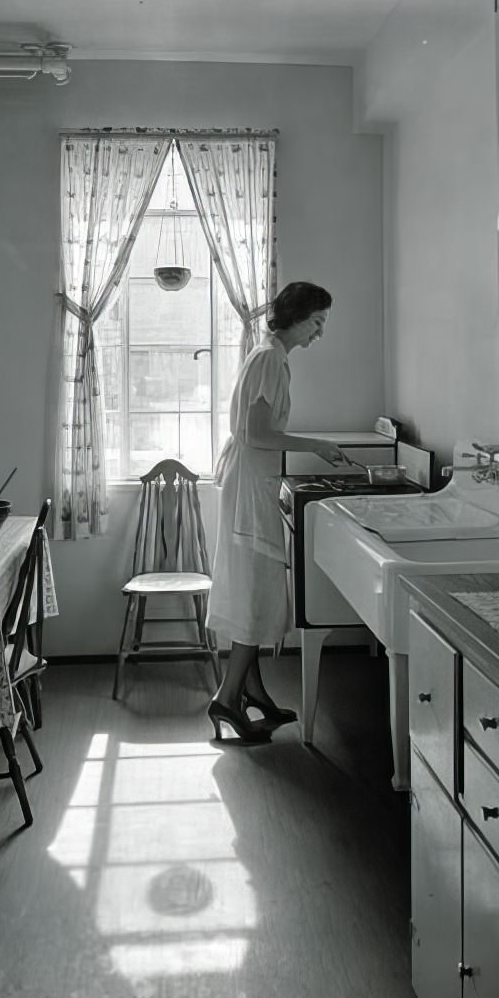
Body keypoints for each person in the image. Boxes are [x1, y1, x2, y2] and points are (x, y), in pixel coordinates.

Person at [206, 281, 347, 743]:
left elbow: (256, 431)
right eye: (317, 323)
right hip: (250, 484)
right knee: (257, 593)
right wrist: (319, 447)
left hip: (250, 480)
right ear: (297, 316)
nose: (319, 334)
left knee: (257, 589)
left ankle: (255, 693)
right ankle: (226, 701)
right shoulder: (270, 359)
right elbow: (258, 433)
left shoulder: (270, 355)